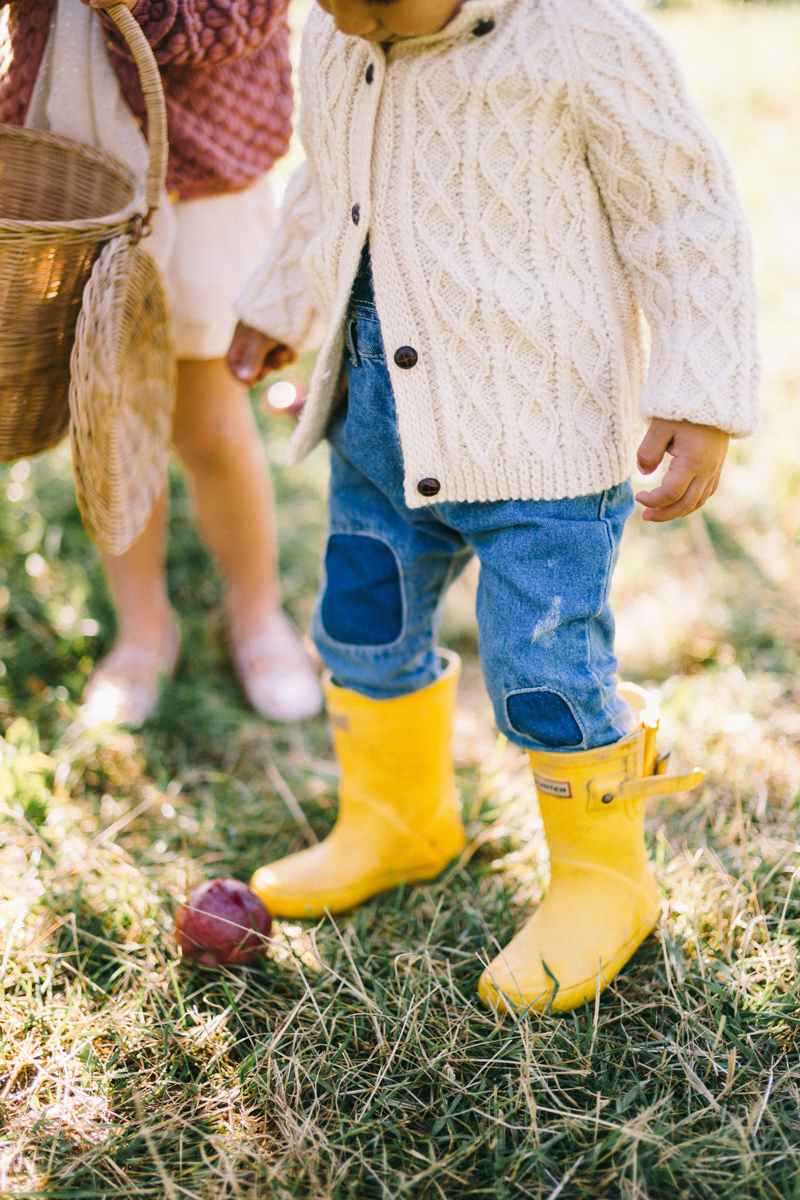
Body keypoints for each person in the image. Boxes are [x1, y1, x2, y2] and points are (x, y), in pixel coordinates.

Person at [227, 0, 759, 1014]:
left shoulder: (584, 37)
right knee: (360, 623)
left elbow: (684, 216)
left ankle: (605, 882)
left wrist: (698, 395)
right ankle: (396, 819)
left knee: (541, 667)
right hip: (377, 433)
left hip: (540, 445)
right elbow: (327, 191)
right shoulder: (334, 36)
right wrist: (277, 297)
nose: (323, 13)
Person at [0, 0, 323, 725]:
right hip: (77, 156)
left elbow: (228, 20)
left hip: (201, 164)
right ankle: (143, 626)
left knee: (210, 424)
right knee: (112, 418)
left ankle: (257, 614)